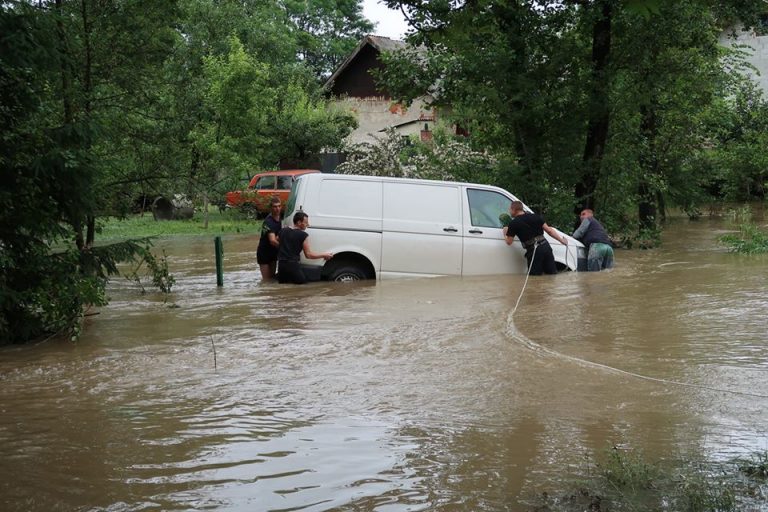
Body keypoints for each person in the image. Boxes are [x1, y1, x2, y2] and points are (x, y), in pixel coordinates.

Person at [503, 200, 568, 275]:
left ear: (514, 209)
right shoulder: (535, 216)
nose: (509, 211)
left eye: (510, 209)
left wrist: (505, 234)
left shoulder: (513, 223)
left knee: (534, 279)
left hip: (534, 251)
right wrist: (562, 241)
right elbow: (549, 230)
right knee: (552, 275)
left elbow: (509, 242)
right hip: (546, 247)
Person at [277, 211, 333, 284]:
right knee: (303, 287)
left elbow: (276, 239)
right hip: (293, 265)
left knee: (283, 287)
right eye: (306, 222)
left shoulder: (283, 230)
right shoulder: (303, 235)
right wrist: (324, 255)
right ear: (299, 222)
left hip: (281, 265)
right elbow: (308, 255)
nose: (308, 224)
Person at [256, 196, 282, 281]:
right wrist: (285, 247)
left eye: (279, 206)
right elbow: (272, 241)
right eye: (275, 206)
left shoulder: (282, 219)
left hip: (273, 252)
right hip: (264, 253)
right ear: (271, 208)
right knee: (267, 280)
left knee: (272, 278)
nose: (277, 209)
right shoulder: (268, 222)